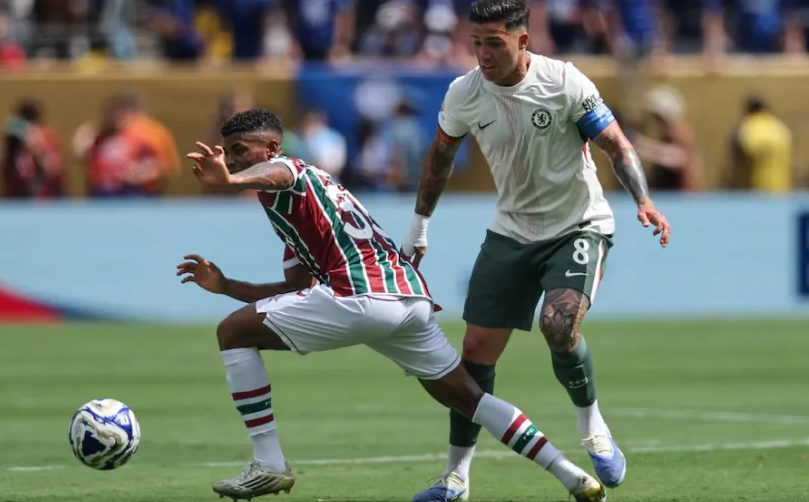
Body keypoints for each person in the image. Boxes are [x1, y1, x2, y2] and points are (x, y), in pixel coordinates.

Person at [176, 108, 608, 502]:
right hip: (407, 301)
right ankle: (573, 477)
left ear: (270, 147)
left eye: (238, 152)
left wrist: (229, 181)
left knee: (231, 332)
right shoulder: (298, 207)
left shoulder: (289, 171)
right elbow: (295, 286)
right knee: (469, 399)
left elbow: (277, 172)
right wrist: (226, 284)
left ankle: (268, 463)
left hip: (359, 296)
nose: (230, 161)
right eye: (228, 154)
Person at [399, 0, 671, 501]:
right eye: (475, 42)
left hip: (578, 225)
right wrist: (419, 223)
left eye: (494, 43)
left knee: (558, 324)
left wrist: (644, 198)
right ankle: (456, 478)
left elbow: (615, 144)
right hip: (511, 232)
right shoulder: (464, 93)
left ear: (523, 40)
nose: (482, 53)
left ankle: (592, 427)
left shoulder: (565, 82)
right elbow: (439, 158)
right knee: (475, 353)